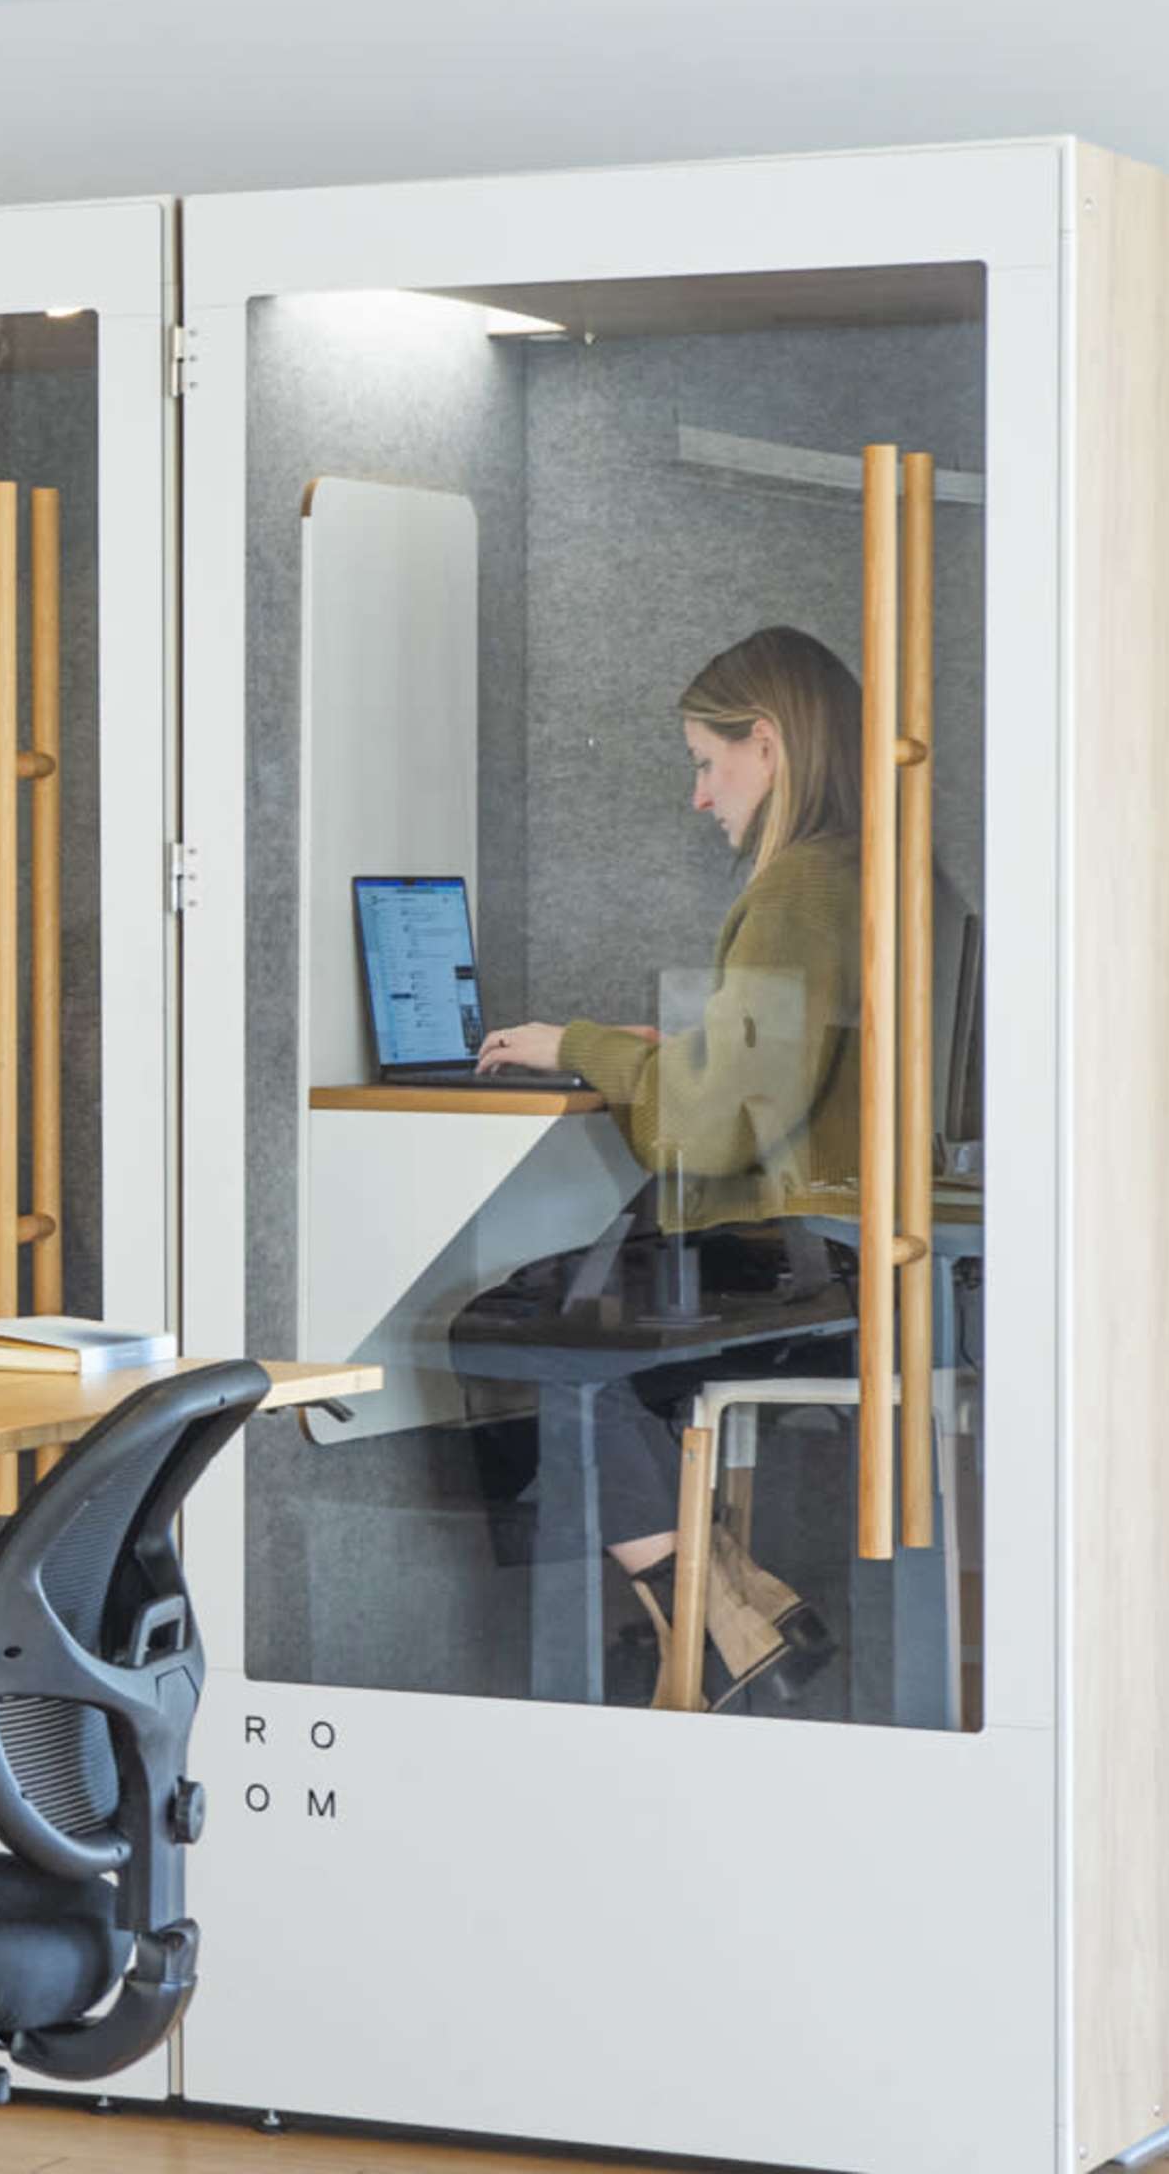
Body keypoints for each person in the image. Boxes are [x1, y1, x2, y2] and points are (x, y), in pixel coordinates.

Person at [471, 627, 866, 1700]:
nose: (699, 797)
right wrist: (673, 1057)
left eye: (706, 760)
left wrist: (582, 1045)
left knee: (518, 1334)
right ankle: (734, 1597)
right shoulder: (856, 874)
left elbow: (711, 1134)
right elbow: (765, 1070)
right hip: (857, 1250)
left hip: (805, 1264)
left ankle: (697, 1613)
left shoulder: (796, 888)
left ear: (769, 746)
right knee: (579, 1311)